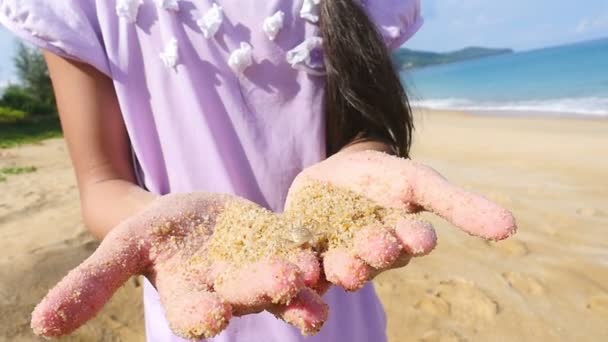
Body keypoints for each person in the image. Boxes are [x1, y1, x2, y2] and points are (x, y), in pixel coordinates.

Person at [0, 0, 516, 341]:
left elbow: (364, 122)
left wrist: (362, 155)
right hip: (199, 292)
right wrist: (156, 221)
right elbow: (101, 182)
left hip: (339, 305)